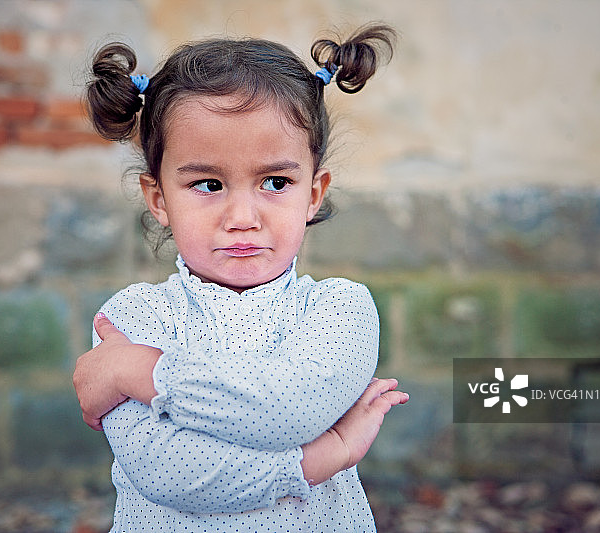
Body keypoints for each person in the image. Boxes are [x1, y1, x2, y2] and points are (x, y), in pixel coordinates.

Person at [72, 23, 409, 532]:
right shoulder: (131, 319)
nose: (242, 218)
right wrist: (319, 459)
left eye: (275, 181)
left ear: (313, 193)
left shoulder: (339, 309)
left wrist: (143, 374)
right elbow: (169, 472)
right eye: (208, 184)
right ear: (158, 198)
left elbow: (292, 409)